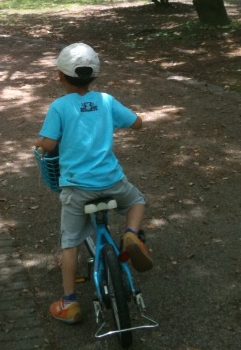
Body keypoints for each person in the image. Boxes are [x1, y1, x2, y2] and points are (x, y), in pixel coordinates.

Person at [35, 42, 152, 325]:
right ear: (95, 75)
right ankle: (131, 234)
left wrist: (38, 143)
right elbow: (137, 123)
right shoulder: (106, 101)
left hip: (78, 188)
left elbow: (49, 144)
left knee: (69, 243)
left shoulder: (59, 106)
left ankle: (69, 302)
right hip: (112, 181)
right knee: (137, 202)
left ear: (59, 76)